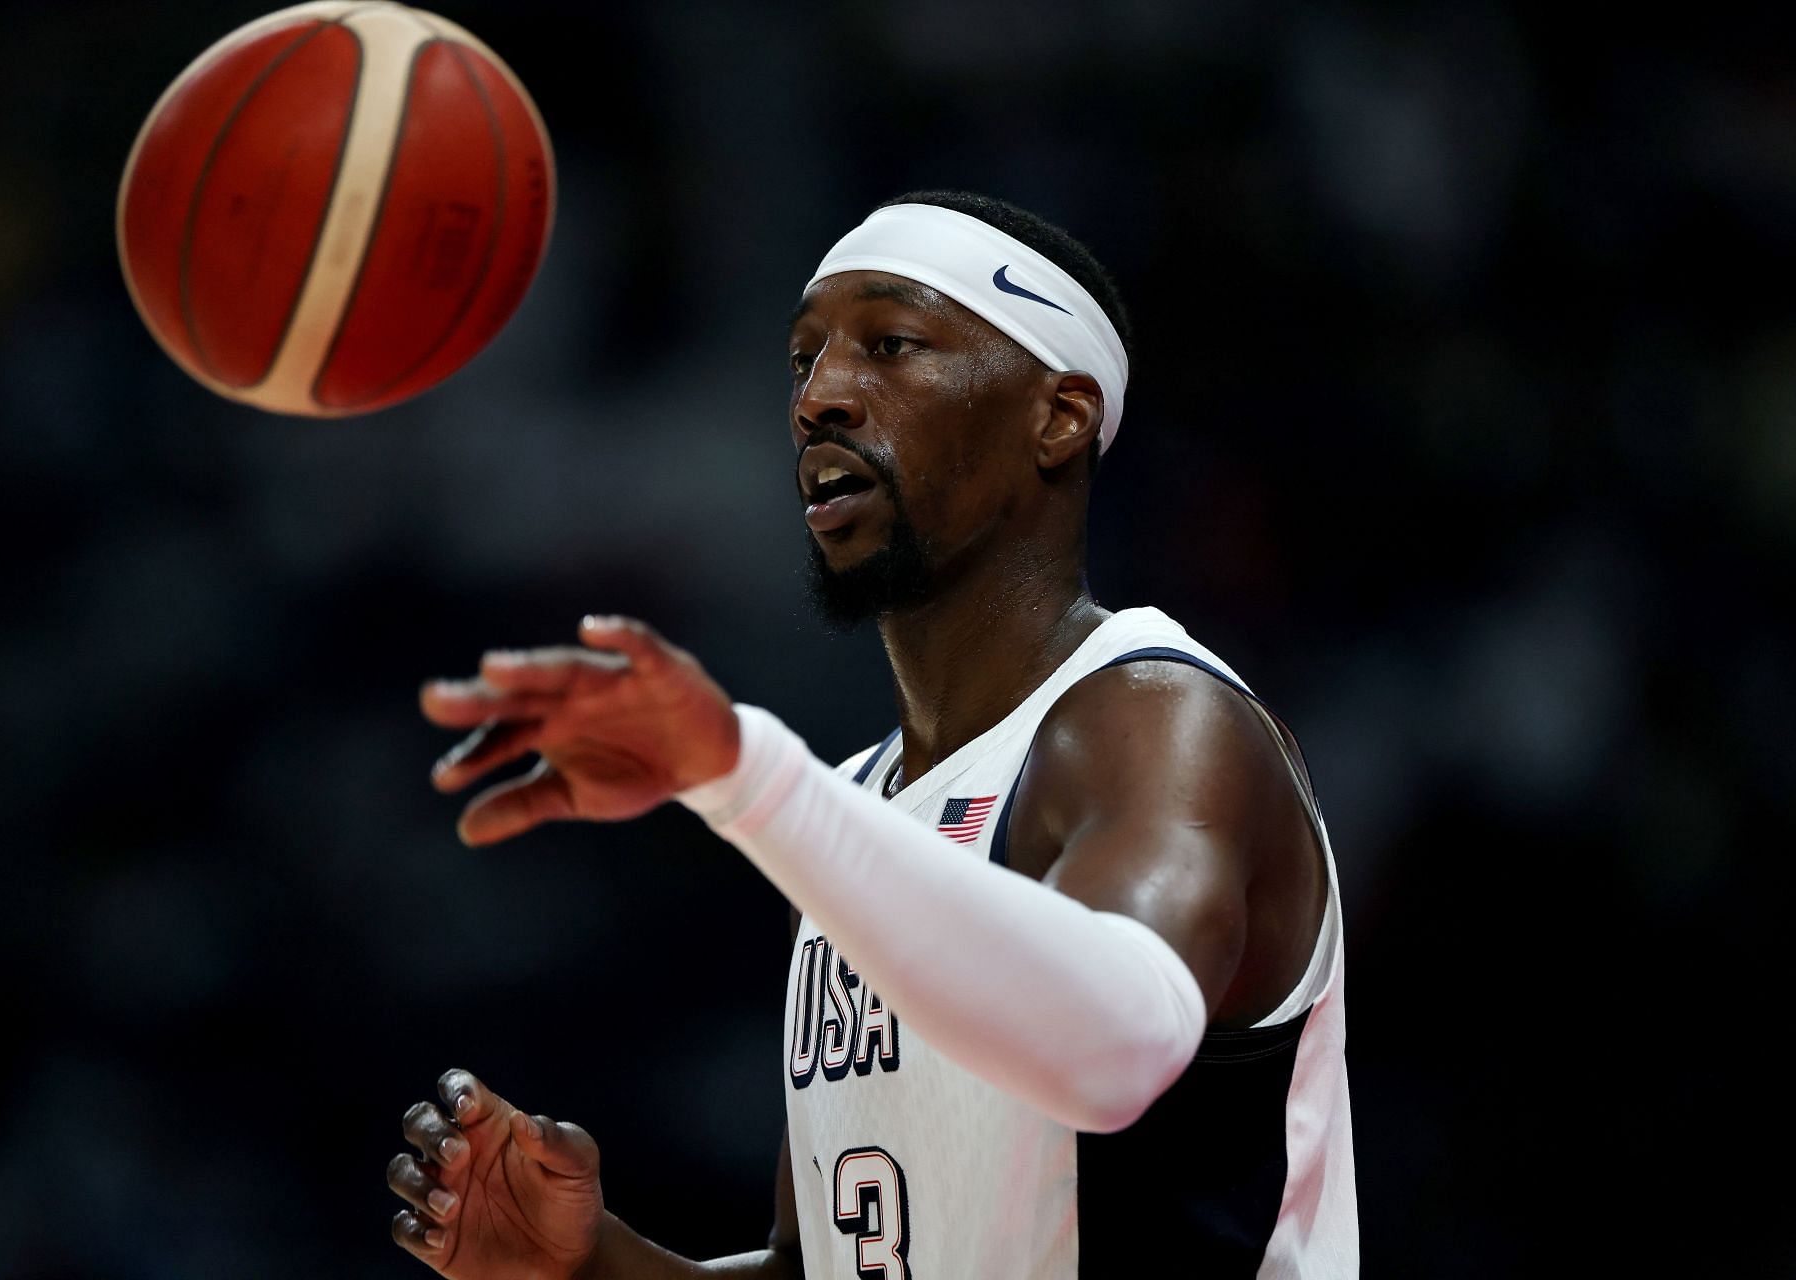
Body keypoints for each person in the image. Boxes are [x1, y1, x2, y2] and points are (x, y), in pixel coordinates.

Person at [384, 192, 1358, 1277]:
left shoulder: (1161, 722)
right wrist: (591, 1263)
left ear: (1060, 416)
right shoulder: (864, 805)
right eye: (803, 360)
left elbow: (1119, 1047)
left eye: (890, 345)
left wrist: (745, 774)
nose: (821, 398)